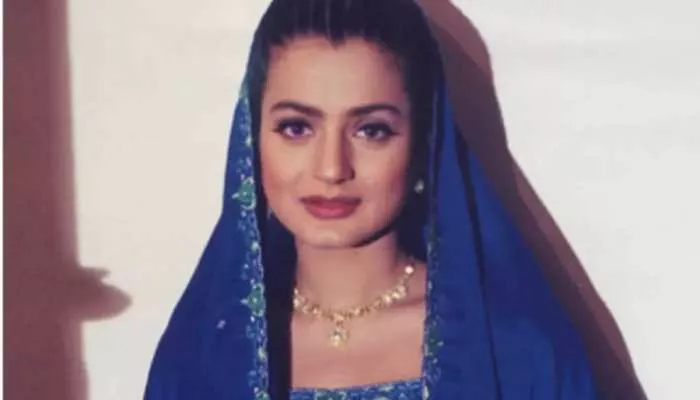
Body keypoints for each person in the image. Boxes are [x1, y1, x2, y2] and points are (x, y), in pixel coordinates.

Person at [145, 0, 599, 398]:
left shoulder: (516, 352)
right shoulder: (200, 359)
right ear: (251, 140)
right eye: (296, 128)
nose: (331, 168)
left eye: (371, 130)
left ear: (423, 144)